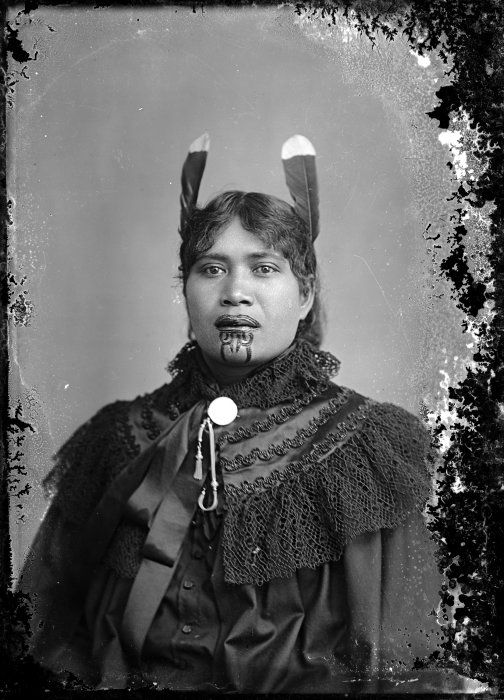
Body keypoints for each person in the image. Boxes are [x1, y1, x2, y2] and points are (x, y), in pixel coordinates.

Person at [20, 134, 464, 693]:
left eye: (264, 268)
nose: (235, 292)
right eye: (211, 269)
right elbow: (38, 635)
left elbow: (401, 657)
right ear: (185, 292)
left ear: (304, 296)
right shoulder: (115, 438)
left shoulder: (363, 445)